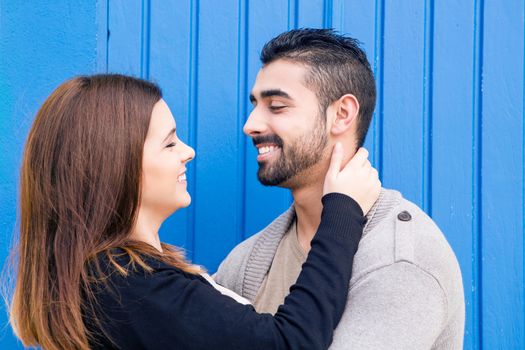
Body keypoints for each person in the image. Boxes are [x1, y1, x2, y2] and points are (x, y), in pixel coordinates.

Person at [8, 74, 381, 350]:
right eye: (169, 142)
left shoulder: (118, 281)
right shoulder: (131, 288)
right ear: (113, 166)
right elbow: (290, 343)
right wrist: (343, 211)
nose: (188, 151)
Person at [215, 28, 465, 349]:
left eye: (276, 106)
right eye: (256, 105)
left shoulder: (401, 260)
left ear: (342, 114)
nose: (250, 124)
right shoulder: (247, 261)